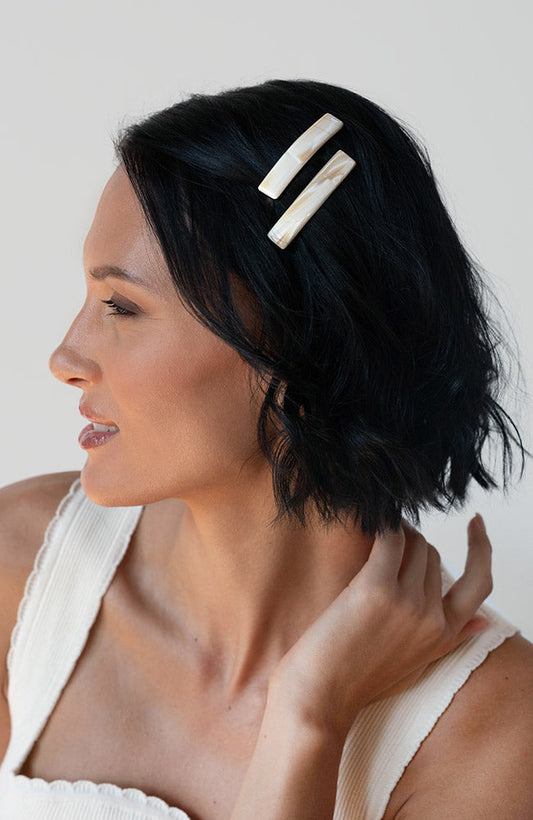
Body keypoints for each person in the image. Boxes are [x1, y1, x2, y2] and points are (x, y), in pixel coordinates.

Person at [0, 78, 532, 819]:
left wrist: (308, 717)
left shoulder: (493, 730)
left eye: (121, 306)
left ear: (300, 349)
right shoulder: (18, 570)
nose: (65, 358)